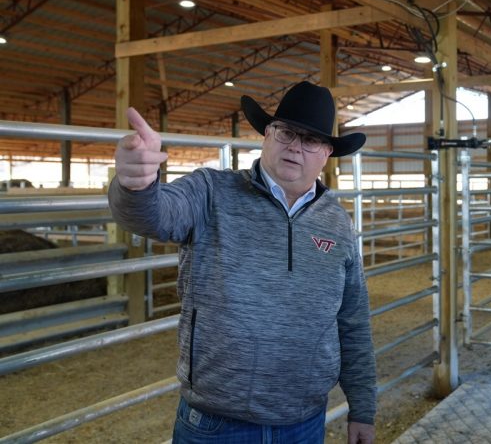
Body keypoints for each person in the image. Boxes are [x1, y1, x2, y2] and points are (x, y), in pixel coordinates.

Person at [108, 81, 377, 444]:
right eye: (286, 133)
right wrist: (135, 184)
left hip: (304, 421)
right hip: (216, 423)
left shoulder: (337, 224)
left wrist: (362, 407)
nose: (295, 147)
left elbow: (352, 320)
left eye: (310, 140)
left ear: (326, 153)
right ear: (267, 133)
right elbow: (152, 216)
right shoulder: (211, 192)